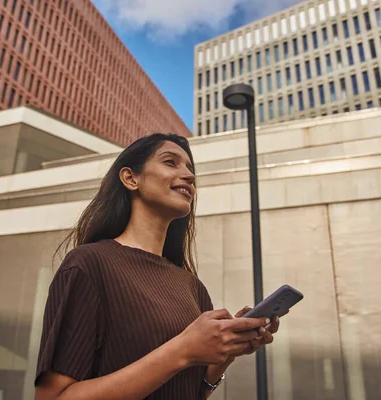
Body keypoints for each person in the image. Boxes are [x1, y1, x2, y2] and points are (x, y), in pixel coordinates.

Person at [34, 133, 283, 399]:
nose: (189, 175)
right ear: (131, 178)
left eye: (190, 168)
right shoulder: (89, 264)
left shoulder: (192, 286)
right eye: (170, 162)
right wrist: (183, 350)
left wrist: (224, 354)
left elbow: (191, 393)